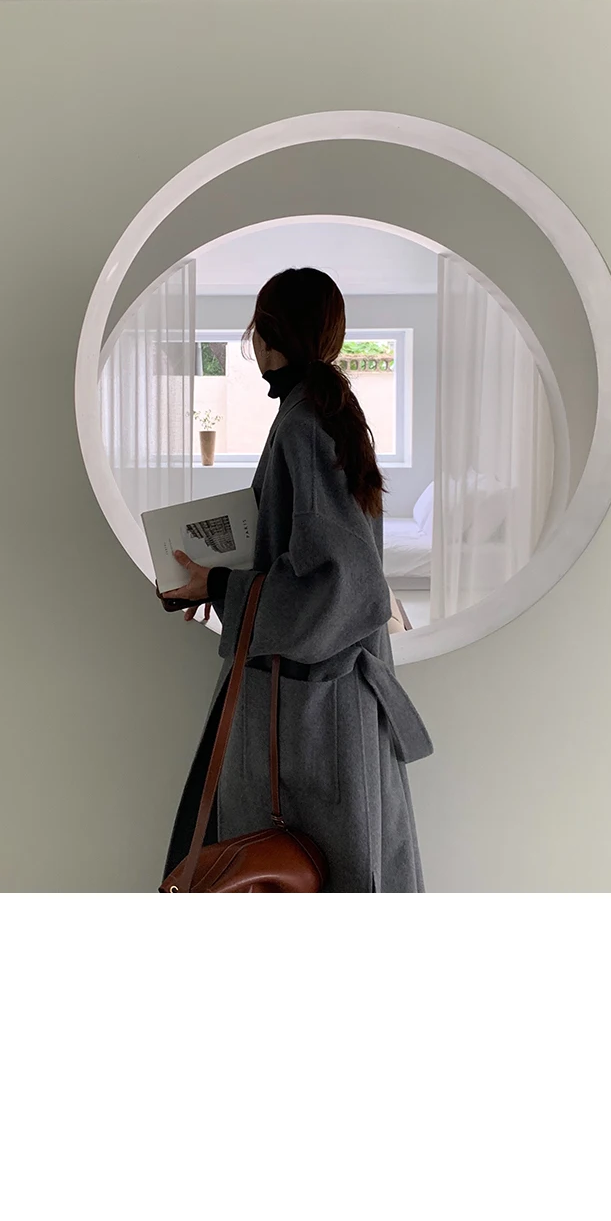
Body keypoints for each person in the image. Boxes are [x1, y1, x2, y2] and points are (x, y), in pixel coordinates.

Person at [159, 267, 432, 894]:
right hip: (319, 708)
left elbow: (344, 588)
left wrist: (222, 588)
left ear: (268, 336)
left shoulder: (306, 425)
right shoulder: (321, 413)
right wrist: (217, 585)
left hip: (311, 718)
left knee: (298, 876)